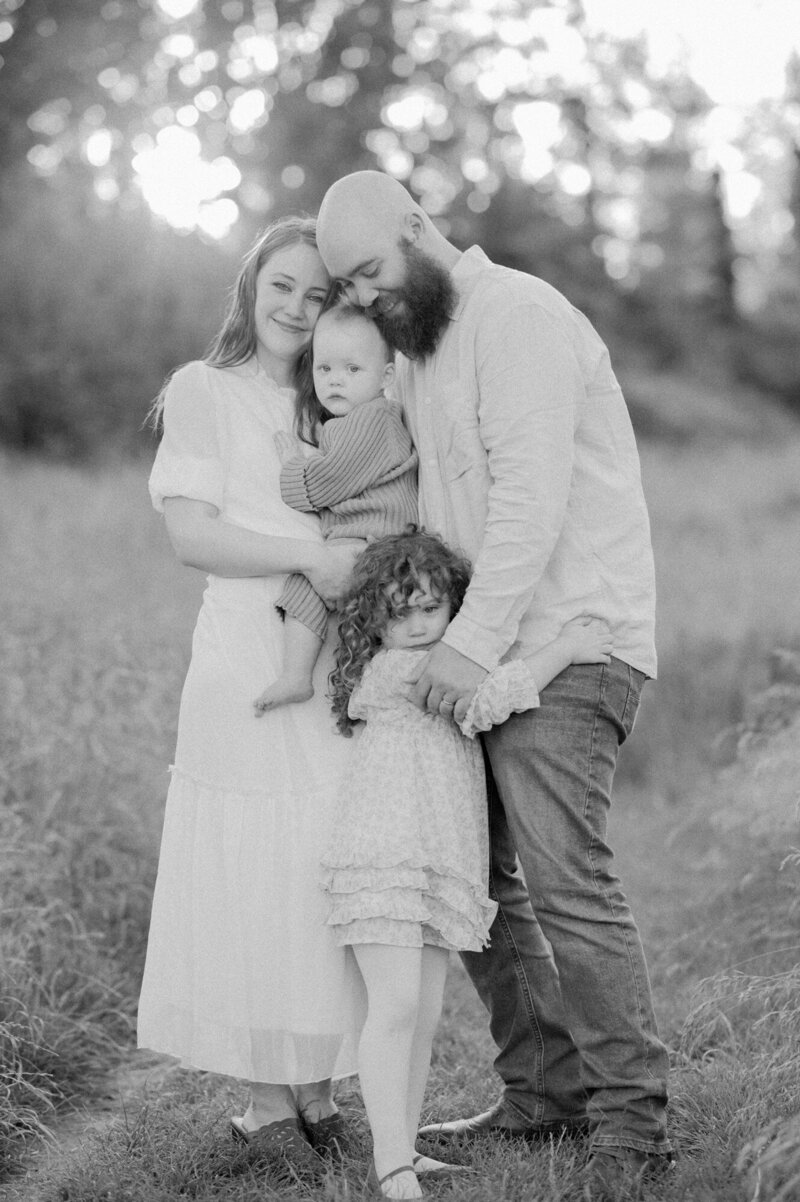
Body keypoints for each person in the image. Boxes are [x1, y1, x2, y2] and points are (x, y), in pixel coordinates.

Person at [315, 171, 674, 1200]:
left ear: (418, 228)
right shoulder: (424, 353)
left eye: (375, 271)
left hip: (570, 640)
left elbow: (528, 502)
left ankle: (630, 1124)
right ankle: (543, 1089)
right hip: (476, 649)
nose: (373, 298)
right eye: (353, 285)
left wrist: (466, 647)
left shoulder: (514, 316)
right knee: (482, 882)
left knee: (566, 882)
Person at [137, 217, 365, 1177]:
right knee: (251, 861)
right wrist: (308, 553)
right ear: (251, 284)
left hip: (326, 660)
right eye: (283, 286)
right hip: (240, 650)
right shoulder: (204, 389)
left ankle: (318, 1086)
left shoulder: (336, 400)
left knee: (318, 858)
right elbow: (192, 535)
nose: (297, 309)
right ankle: (268, 1101)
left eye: (318, 296)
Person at [323, 528, 615, 1200]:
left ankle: (405, 1148)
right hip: (387, 860)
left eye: (431, 609)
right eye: (401, 613)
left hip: (430, 862)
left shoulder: (427, 662)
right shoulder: (403, 673)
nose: (420, 626)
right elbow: (490, 697)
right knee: (395, 1009)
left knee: (421, 1015)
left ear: (452, 606)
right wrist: (566, 647)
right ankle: (390, 1164)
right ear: (375, 620)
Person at [253, 302, 417, 712]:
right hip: (368, 542)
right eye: (324, 369)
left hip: (375, 543)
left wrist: (293, 464)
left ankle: (296, 677)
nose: (336, 381)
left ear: (386, 376)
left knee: (308, 578)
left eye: (352, 369)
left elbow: (322, 484)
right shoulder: (353, 421)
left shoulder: (373, 420)